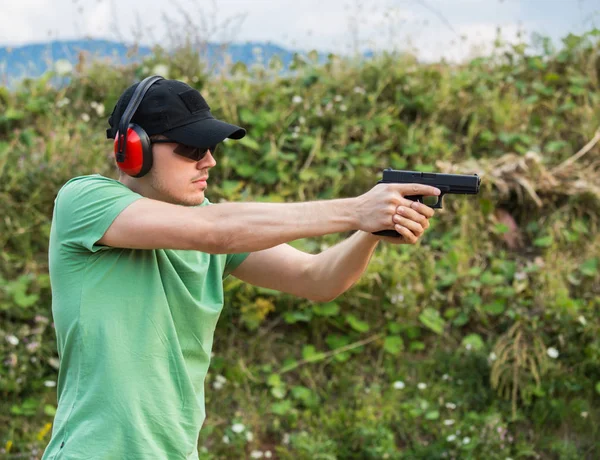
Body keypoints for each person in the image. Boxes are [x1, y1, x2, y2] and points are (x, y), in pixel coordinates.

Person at [42, 76, 440, 459]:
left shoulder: (208, 223)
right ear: (133, 148)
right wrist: (355, 209)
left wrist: (371, 229)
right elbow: (216, 232)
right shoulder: (85, 201)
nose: (209, 161)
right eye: (193, 149)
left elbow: (317, 279)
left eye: (211, 148)